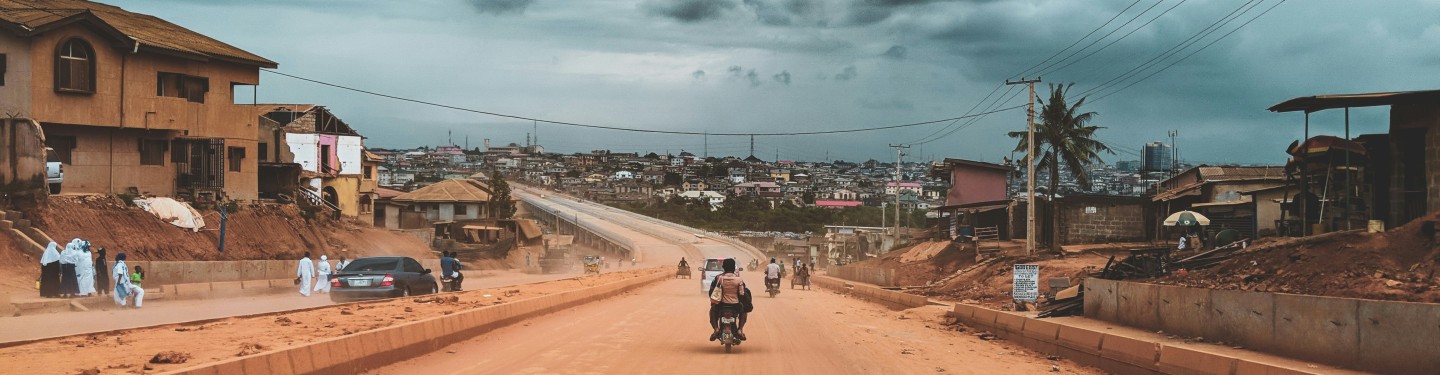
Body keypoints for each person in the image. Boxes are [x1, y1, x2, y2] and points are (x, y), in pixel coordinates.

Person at [707, 258, 748, 341]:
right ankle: (740, 330)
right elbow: (742, 293)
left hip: (721, 305)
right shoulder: (739, 279)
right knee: (743, 311)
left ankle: (716, 329)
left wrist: (714, 301)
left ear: (723, 267)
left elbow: (711, 291)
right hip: (735, 306)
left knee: (712, 311)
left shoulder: (718, 278)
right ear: (734, 267)